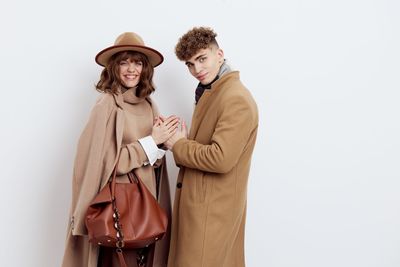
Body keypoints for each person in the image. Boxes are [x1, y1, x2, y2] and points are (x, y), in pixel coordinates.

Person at [62, 32, 178, 267]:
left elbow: (150, 163)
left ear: (145, 68)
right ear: (113, 68)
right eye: (124, 62)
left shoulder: (149, 105)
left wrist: (163, 143)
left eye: (137, 62)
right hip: (117, 209)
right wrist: (150, 143)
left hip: (146, 208)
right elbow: (104, 163)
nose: (131, 69)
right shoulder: (107, 105)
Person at [164, 27, 259, 267]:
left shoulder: (234, 97)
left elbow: (221, 158)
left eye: (202, 59)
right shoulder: (212, 92)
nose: (197, 69)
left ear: (220, 54)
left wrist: (179, 144)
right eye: (190, 64)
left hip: (212, 214)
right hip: (203, 212)